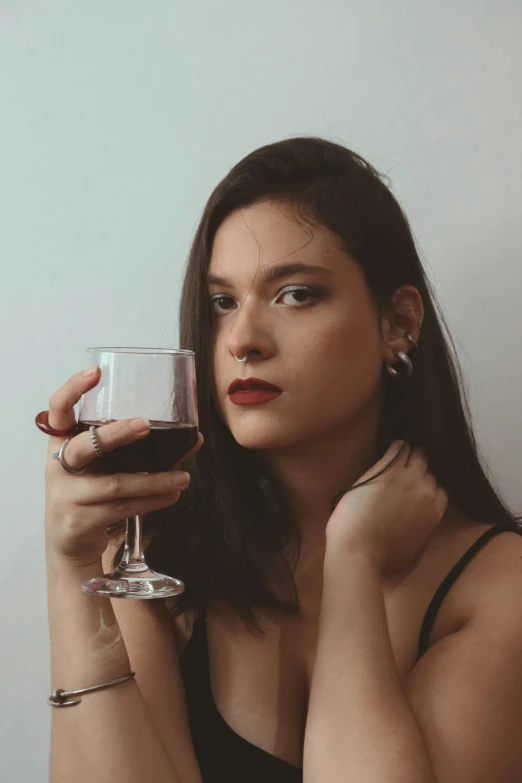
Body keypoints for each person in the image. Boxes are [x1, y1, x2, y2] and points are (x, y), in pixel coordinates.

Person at [41, 136, 522, 783]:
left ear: (399, 323)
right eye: (222, 302)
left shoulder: (497, 586)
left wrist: (353, 561)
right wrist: (72, 570)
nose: (242, 339)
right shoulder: (162, 562)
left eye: (295, 294)